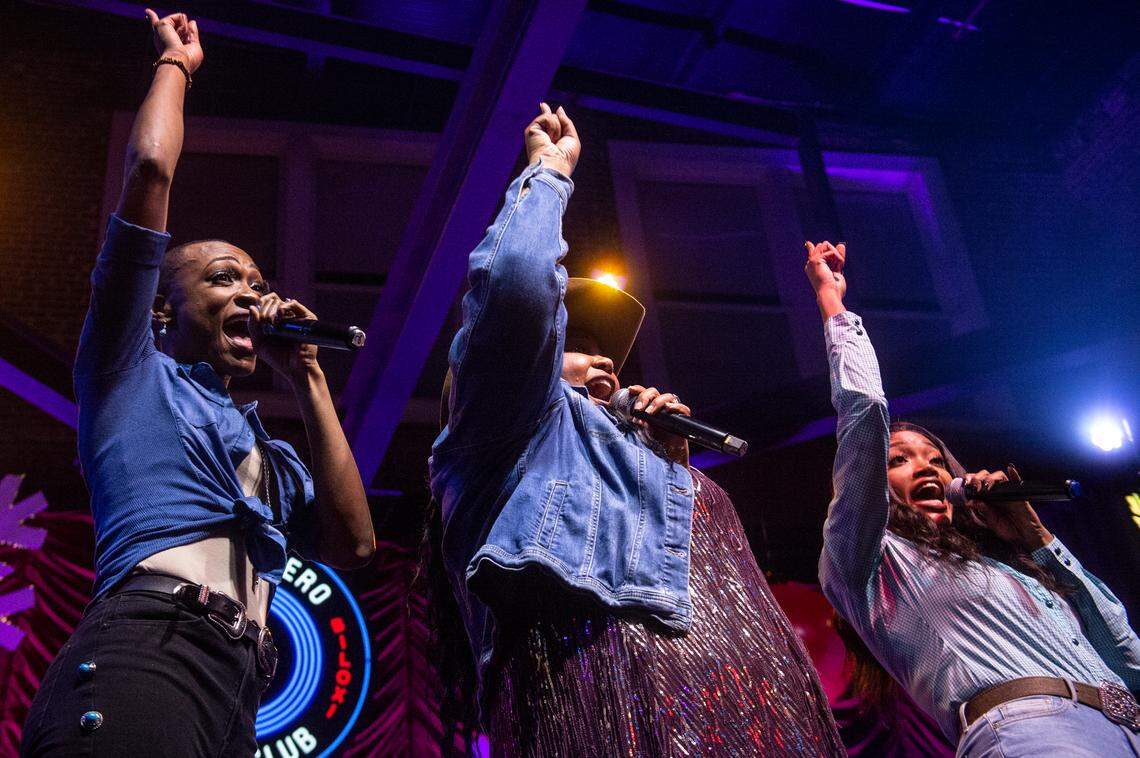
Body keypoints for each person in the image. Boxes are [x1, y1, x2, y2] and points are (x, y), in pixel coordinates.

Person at [425, 103, 844, 757]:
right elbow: (514, 291)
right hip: (601, 715)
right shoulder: (507, 432)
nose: (601, 360)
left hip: (752, 722)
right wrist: (549, 172)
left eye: (608, 354)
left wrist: (664, 463)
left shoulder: (644, 452)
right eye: (578, 341)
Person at [21, 11, 374, 756]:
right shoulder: (129, 375)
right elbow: (149, 172)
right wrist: (175, 66)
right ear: (160, 310)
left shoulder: (267, 453)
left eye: (258, 281)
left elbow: (356, 544)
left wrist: (308, 376)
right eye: (223, 280)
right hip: (149, 648)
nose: (252, 294)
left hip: (236, 684)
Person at [806, 239, 1140, 756]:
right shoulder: (869, 560)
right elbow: (865, 412)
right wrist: (833, 303)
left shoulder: (1009, 566)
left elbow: (1127, 657)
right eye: (900, 460)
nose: (927, 467)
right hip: (1035, 733)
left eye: (937, 459)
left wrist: (1038, 539)